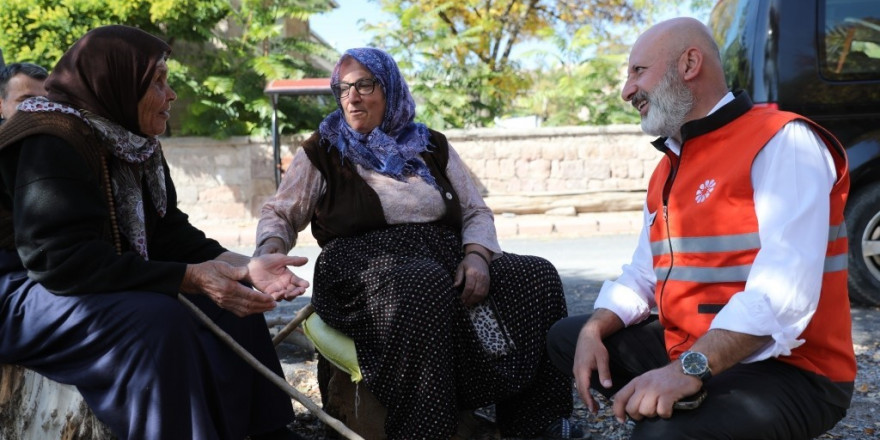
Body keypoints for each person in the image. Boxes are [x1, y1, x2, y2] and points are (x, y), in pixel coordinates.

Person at [546, 17, 855, 440]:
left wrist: (685, 370)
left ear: (690, 63)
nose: (626, 90)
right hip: (699, 350)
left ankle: (684, 415)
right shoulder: (668, 165)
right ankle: (687, 410)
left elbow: (782, 296)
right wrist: (596, 326)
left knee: (658, 438)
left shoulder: (783, 141)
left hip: (793, 369)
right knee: (569, 338)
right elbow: (643, 273)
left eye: (638, 71)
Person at [255, 47, 585, 440]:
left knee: (535, 275)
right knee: (422, 283)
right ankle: (423, 429)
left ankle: (536, 424)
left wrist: (477, 257)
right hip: (358, 266)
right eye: (343, 88)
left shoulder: (431, 145)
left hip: (440, 255)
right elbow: (281, 212)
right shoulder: (323, 150)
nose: (352, 97)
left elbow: (476, 211)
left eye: (364, 84)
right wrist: (269, 251)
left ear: (390, 88)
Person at [0, 25, 311, 440]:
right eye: (158, 82)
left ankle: (267, 432)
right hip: (20, 289)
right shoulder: (51, 138)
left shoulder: (133, 141)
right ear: (118, 83)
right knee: (160, 323)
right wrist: (190, 277)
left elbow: (169, 234)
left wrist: (244, 266)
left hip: (86, 276)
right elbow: (59, 262)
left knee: (237, 304)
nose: (172, 95)